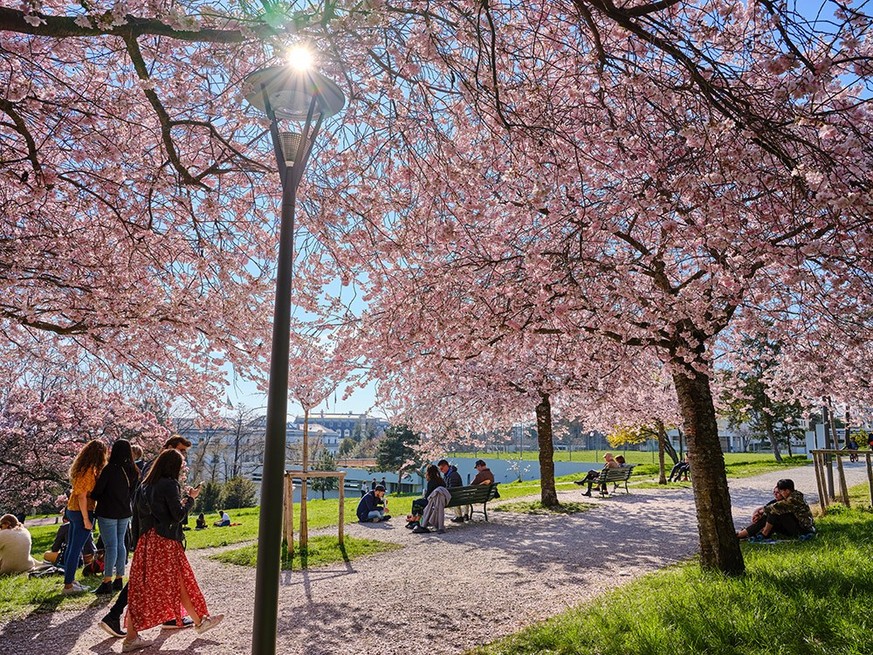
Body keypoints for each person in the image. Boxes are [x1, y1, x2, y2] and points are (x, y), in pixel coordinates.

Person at [121, 449, 224, 652]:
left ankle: (131, 638)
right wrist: (191, 499)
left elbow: (138, 517)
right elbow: (177, 516)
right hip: (164, 542)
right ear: (173, 466)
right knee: (179, 580)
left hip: (146, 541)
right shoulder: (169, 485)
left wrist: (137, 542)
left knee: (140, 589)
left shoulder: (144, 486)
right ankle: (200, 622)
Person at [99, 436, 195, 639]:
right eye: (181, 450)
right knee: (142, 580)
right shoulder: (157, 472)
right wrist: (188, 503)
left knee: (151, 577)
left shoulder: (158, 470)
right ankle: (117, 616)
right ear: (168, 448)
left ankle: (168, 617)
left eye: (185, 452)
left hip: (150, 533)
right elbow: (148, 506)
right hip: (156, 535)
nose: (183, 456)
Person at [92, 439, 138, 595]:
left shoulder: (109, 469)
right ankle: (119, 578)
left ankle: (107, 581)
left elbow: (97, 492)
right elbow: (132, 493)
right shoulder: (133, 470)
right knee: (120, 544)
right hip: (124, 511)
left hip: (108, 512)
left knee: (110, 545)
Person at [62, 439, 108, 595]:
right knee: (76, 549)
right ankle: (68, 586)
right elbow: (82, 496)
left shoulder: (81, 468)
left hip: (72, 509)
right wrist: (86, 519)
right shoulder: (88, 471)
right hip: (81, 511)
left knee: (72, 547)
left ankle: (70, 581)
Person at [736, 479, 815, 541]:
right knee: (771, 516)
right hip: (795, 527)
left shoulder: (794, 499)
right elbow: (770, 506)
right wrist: (759, 513)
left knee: (774, 512)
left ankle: (761, 535)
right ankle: (746, 534)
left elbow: (774, 507)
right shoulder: (791, 496)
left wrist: (761, 511)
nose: (778, 494)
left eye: (780, 491)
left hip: (803, 530)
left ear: (787, 491)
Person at [406, 465, 445, 529]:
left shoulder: (431, 482)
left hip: (432, 502)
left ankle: (414, 519)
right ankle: (416, 520)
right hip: (442, 502)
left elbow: (427, 497)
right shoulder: (441, 481)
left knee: (416, 502)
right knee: (420, 503)